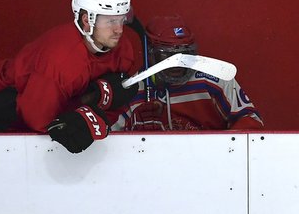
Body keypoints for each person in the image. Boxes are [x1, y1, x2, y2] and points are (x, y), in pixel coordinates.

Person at [0, 0, 140, 154]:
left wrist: (98, 105)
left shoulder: (120, 48)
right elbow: (38, 121)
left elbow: (108, 101)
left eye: (121, 19)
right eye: (110, 21)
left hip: (35, 106)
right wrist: (88, 112)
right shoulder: (60, 61)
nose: (119, 29)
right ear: (87, 21)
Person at [112, 14, 263, 131]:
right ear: (150, 54)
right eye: (167, 56)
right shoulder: (133, 90)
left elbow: (251, 121)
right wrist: (132, 131)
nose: (178, 64)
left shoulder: (214, 79)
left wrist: (220, 147)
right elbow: (112, 142)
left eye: (185, 55)